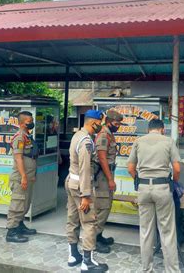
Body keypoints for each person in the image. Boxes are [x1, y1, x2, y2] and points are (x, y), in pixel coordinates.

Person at [127, 119, 181, 273]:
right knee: (167, 231)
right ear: (162, 129)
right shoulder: (169, 141)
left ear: (148, 130)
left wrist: (138, 180)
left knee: (145, 231)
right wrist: (174, 182)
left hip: (143, 188)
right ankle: (172, 270)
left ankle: (147, 269)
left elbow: (130, 167)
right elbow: (177, 168)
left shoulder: (138, 141)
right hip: (162, 187)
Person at [66, 110, 109, 272]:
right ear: (94, 123)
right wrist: (86, 195)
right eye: (101, 123)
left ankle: (73, 255)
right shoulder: (86, 141)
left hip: (71, 182)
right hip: (81, 187)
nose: (102, 126)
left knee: (73, 218)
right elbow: (85, 169)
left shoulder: (77, 135)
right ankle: (87, 262)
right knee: (90, 222)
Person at [93, 110, 125, 252]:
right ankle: (93, 240)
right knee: (102, 207)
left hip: (107, 174)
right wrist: (110, 179)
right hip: (103, 176)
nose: (118, 126)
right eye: (116, 123)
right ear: (109, 121)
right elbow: (101, 158)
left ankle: (99, 235)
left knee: (106, 206)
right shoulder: (104, 135)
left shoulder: (109, 134)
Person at [6, 111, 38, 243]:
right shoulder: (19, 137)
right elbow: (18, 158)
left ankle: (19, 225)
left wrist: (31, 175)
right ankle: (11, 231)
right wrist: (24, 176)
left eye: (31, 120)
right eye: (28, 121)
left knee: (25, 203)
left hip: (28, 177)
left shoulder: (27, 136)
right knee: (17, 204)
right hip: (20, 178)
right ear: (21, 123)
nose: (31, 123)